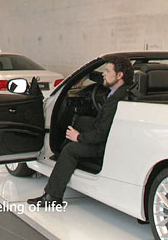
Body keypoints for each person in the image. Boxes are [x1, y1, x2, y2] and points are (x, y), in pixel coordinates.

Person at [27, 56, 134, 207]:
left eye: (108, 71)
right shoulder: (121, 91)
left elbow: (101, 134)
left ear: (119, 75)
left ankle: (52, 196)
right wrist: (87, 75)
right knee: (82, 120)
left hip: (103, 145)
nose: (104, 74)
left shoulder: (115, 102)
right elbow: (101, 124)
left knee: (70, 150)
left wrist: (78, 137)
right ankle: (62, 154)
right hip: (106, 134)